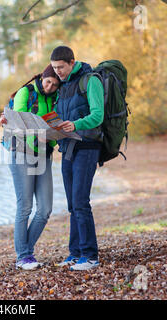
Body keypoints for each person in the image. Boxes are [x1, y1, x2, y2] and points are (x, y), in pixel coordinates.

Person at [0, 64, 60, 270]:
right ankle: (24, 256)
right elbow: (17, 123)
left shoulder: (55, 97)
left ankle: (24, 253)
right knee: (24, 207)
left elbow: (55, 125)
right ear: (42, 77)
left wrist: (53, 137)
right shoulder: (26, 92)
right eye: (48, 82)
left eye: (54, 84)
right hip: (22, 153)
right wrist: (39, 134)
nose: (50, 87)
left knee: (45, 208)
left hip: (44, 155)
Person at [50, 46, 105, 271]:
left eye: (61, 67)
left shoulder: (91, 80)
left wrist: (76, 124)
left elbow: (97, 115)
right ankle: (75, 253)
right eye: (54, 68)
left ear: (72, 62)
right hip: (68, 147)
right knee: (73, 204)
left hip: (87, 147)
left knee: (81, 202)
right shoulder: (63, 85)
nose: (58, 72)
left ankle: (91, 256)